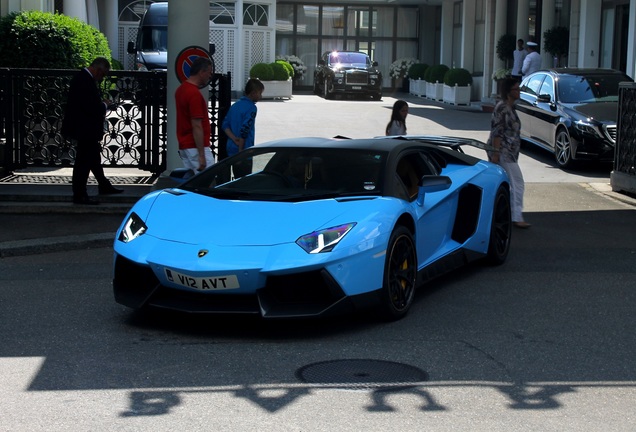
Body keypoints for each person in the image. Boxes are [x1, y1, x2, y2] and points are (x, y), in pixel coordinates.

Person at [61, 57, 123, 205]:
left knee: (93, 158)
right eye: (103, 75)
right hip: (85, 129)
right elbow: (91, 108)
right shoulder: (84, 81)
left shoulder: (83, 79)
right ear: (98, 69)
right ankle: (80, 194)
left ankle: (103, 185)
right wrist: (104, 105)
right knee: (83, 162)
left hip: (84, 128)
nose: (102, 78)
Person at [486, 77, 531, 229]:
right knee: (517, 182)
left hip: (510, 152)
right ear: (508, 91)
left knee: (506, 183)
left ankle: (504, 214)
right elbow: (497, 132)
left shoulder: (510, 108)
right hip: (504, 152)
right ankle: (516, 216)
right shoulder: (502, 108)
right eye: (516, 89)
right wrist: (496, 153)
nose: (519, 92)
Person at [175, 56, 215, 172]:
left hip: (185, 144)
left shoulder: (181, 90)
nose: (210, 75)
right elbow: (197, 125)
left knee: (192, 182)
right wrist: (201, 155)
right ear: (201, 72)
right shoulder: (194, 94)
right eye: (209, 72)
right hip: (195, 146)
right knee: (208, 179)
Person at [222, 78, 265, 178]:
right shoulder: (251, 108)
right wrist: (241, 150)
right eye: (260, 93)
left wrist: (233, 138)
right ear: (253, 93)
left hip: (231, 147)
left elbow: (225, 125)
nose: (260, 96)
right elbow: (245, 129)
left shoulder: (235, 105)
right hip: (244, 151)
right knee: (243, 180)